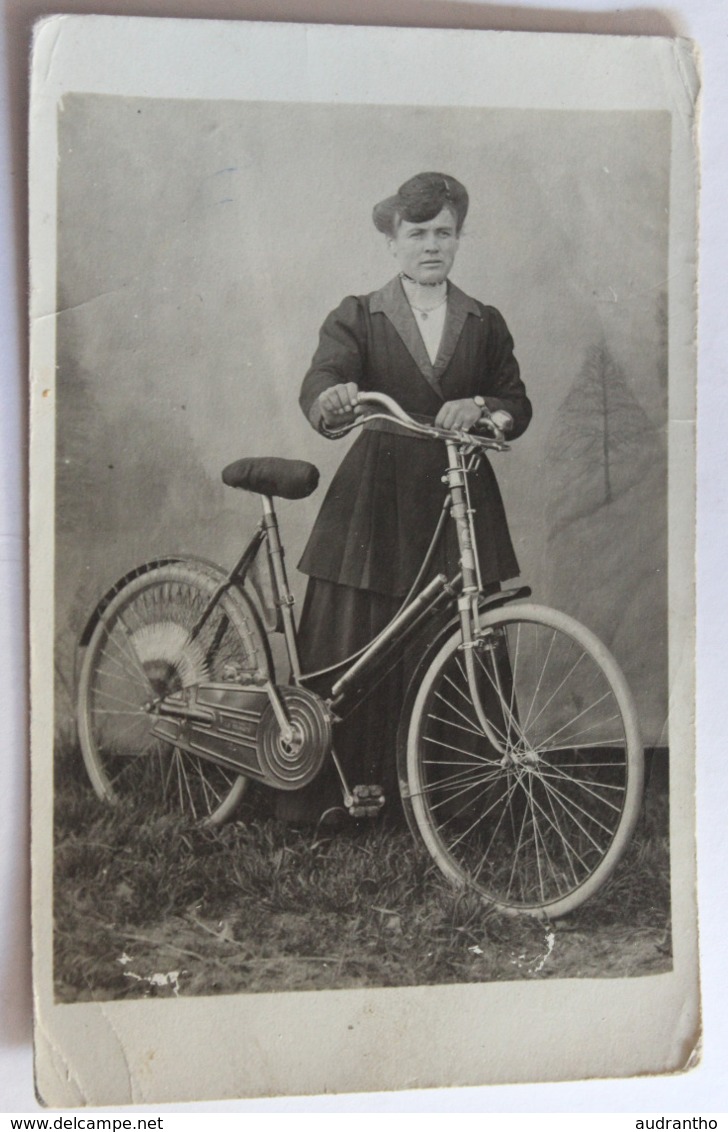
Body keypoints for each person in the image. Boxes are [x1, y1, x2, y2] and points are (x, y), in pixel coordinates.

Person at [278, 172, 532, 824]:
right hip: (375, 503)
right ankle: (339, 789)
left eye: (443, 233)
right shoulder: (359, 315)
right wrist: (329, 397)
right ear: (393, 241)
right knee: (355, 642)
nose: (431, 246)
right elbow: (324, 378)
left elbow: (515, 403)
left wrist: (482, 407)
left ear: (458, 239)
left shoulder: (482, 321)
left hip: (457, 500)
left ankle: (453, 801)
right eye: (416, 233)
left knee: (460, 635)